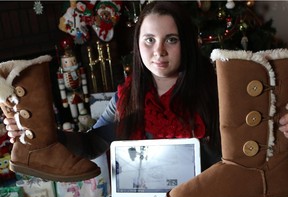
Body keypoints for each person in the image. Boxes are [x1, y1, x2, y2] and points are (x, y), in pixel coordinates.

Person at [4, 1, 288, 171]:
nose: (159, 51)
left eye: (171, 39)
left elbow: (259, 137)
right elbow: (91, 144)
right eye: (149, 39)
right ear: (138, 44)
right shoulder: (126, 97)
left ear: (186, 43)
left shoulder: (218, 89)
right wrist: (42, 134)